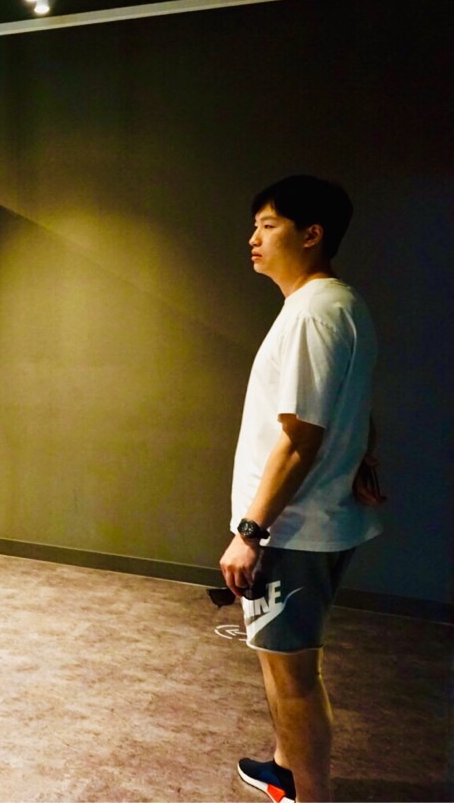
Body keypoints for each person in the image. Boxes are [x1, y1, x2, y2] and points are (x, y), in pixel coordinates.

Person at [221, 175, 384, 803]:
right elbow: (352, 407)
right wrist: (362, 458)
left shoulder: (314, 312)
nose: (254, 238)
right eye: (255, 225)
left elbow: (299, 439)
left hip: (292, 531)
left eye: (269, 225)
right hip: (309, 523)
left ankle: (310, 795)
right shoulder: (339, 304)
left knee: (294, 680)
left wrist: (250, 532)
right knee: (282, 664)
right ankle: (285, 769)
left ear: (311, 234)